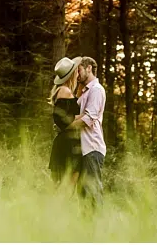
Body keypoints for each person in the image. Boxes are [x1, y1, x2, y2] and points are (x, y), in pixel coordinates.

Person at [69, 56, 106, 207]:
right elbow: (76, 115)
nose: (77, 75)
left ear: (89, 68)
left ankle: (100, 227)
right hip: (83, 150)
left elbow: (88, 119)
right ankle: (87, 228)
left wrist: (67, 125)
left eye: (79, 70)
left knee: (93, 191)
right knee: (82, 194)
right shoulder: (84, 93)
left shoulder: (96, 90)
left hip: (92, 147)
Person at [48, 56, 84, 187]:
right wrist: (88, 115)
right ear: (72, 74)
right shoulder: (65, 91)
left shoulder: (63, 91)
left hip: (66, 142)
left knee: (64, 187)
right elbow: (67, 120)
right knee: (67, 187)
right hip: (67, 144)